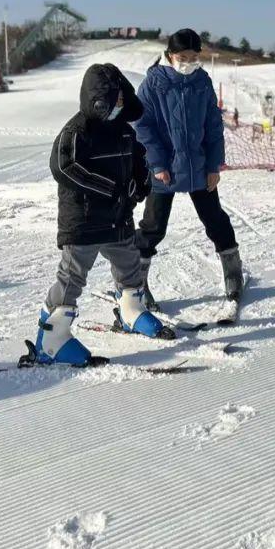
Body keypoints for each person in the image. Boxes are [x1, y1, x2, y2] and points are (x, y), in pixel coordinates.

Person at [32, 64, 168, 366]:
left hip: (118, 218)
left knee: (129, 262)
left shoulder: (124, 132)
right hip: (83, 222)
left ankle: (131, 311)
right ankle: (52, 341)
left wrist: (139, 184)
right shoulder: (76, 131)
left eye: (121, 101)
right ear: (94, 100)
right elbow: (63, 167)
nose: (117, 107)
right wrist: (109, 189)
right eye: (111, 101)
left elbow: (139, 161)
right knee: (72, 277)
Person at [134, 28, 244, 307]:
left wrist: (213, 165)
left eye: (194, 57)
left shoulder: (201, 81)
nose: (189, 62)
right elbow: (143, 126)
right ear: (170, 55)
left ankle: (233, 272)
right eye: (183, 57)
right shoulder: (153, 83)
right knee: (153, 226)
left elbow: (213, 125)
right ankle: (134, 283)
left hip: (198, 165)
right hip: (164, 169)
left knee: (215, 219)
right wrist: (157, 163)